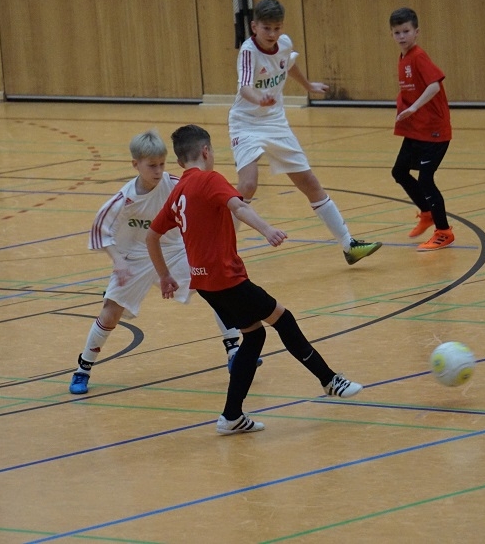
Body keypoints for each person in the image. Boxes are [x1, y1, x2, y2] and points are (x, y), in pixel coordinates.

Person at [147, 125, 363, 435]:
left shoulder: (178, 191)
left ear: (180, 161)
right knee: (284, 320)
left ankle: (232, 416)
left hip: (204, 284)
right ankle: (329, 380)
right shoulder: (210, 179)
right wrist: (267, 230)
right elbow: (238, 206)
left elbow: (152, 236)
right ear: (206, 151)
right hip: (227, 278)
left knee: (254, 336)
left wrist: (165, 275)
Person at [68, 129, 250, 395]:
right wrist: (118, 261)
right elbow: (100, 232)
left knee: (214, 287)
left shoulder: (175, 184)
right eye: (151, 165)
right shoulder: (123, 199)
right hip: (135, 258)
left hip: (174, 250)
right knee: (111, 311)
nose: (158, 170)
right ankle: (83, 368)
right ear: (136, 164)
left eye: (162, 164)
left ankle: (233, 350)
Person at [228, 0, 382, 266]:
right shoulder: (249, 51)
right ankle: (222, 249)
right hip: (246, 122)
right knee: (248, 184)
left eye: (277, 28)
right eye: (266, 28)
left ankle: (349, 245)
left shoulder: (284, 43)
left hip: (275, 123)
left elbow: (288, 64)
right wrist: (259, 99)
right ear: (254, 27)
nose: (272, 34)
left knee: (309, 182)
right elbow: (245, 87)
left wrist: (308, 85)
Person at [389, 7, 455, 251]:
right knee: (399, 171)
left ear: (416, 32)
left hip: (434, 130)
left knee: (426, 179)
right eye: (397, 32)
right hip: (417, 129)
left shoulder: (418, 56)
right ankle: (427, 213)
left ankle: (444, 231)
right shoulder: (403, 57)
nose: (401, 36)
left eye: (406, 31)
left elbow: (434, 85)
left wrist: (415, 107)